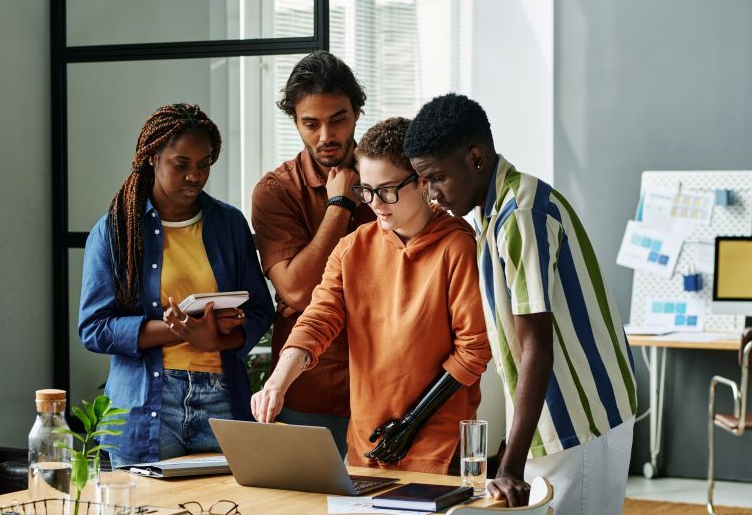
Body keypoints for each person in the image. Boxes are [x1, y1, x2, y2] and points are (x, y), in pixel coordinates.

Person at [405, 94, 637, 515]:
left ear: (475, 158)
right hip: (554, 415)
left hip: (581, 415)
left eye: (436, 178)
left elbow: (537, 345)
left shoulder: (521, 213)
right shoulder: (494, 213)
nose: (432, 194)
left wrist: (508, 463)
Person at [251, 117, 491, 474]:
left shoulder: (457, 246)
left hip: (439, 447)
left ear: (422, 182)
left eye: (388, 190)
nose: (376, 203)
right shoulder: (352, 248)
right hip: (368, 444)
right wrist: (278, 382)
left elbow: (473, 350)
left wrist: (411, 422)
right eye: (365, 190)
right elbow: (317, 321)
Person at [79, 103, 275, 468]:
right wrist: (180, 330)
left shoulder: (229, 224)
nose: (194, 176)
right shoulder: (116, 231)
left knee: (231, 513)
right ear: (153, 157)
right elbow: (94, 328)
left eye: (204, 165)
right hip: (145, 405)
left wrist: (215, 339)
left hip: (221, 399)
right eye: (181, 164)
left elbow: (261, 311)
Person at [250, 51, 376, 457]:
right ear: (295, 121)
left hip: (389, 389)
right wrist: (339, 206)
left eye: (338, 119)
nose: (326, 136)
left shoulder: (392, 180)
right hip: (311, 393)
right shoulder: (276, 191)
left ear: (357, 113)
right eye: (311, 123)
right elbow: (299, 293)